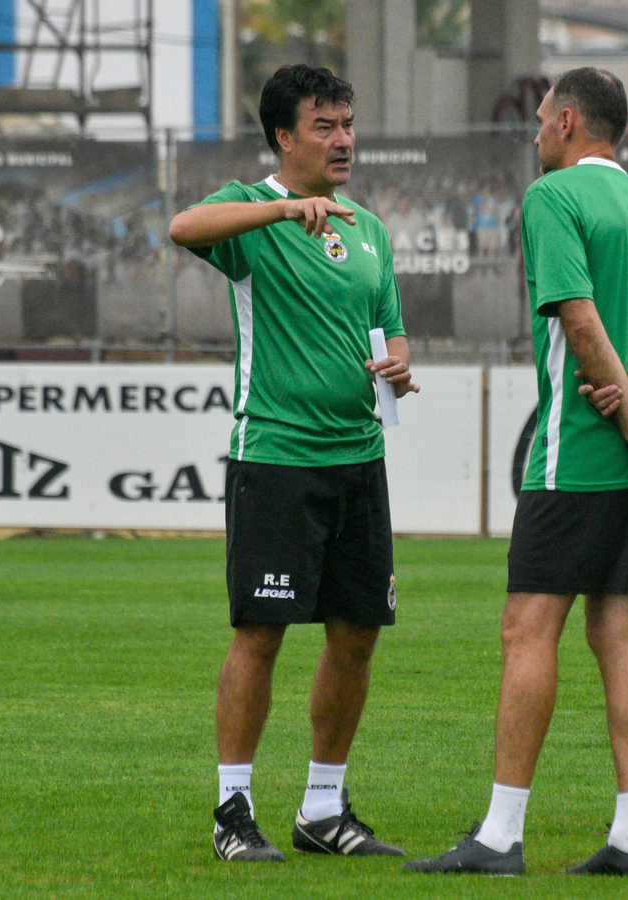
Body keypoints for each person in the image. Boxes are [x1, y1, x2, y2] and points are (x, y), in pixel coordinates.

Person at [405, 67, 628, 877]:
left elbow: (578, 320)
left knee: (528, 628)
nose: (537, 132)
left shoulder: (554, 198)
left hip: (579, 453)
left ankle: (502, 835)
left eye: (542, 120)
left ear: (571, 121)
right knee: (621, 630)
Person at [168, 63, 418, 864]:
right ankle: (232, 811)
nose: (343, 139)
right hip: (275, 456)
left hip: (359, 458)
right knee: (262, 633)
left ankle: (322, 808)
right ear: (284, 136)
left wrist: (401, 366)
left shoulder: (369, 228)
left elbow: (390, 328)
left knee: (356, 635)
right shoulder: (252, 218)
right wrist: (279, 209)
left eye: (347, 124)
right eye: (324, 126)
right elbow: (181, 230)